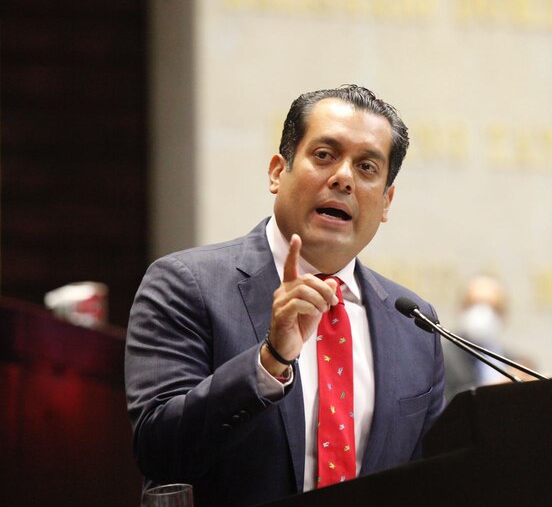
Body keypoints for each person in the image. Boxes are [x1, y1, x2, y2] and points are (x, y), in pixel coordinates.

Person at [125, 85, 445, 506]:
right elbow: (159, 452)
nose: (343, 178)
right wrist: (270, 360)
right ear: (278, 171)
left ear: (386, 202)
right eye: (325, 155)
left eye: (367, 167)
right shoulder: (185, 284)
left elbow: (432, 480)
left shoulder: (415, 324)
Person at [443, 275, 512, 401]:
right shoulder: (444, 357)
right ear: (461, 309)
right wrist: (494, 390)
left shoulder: (516, 361)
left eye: (492, 307)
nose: (483, 313)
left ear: (504, 314)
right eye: (475, 304)